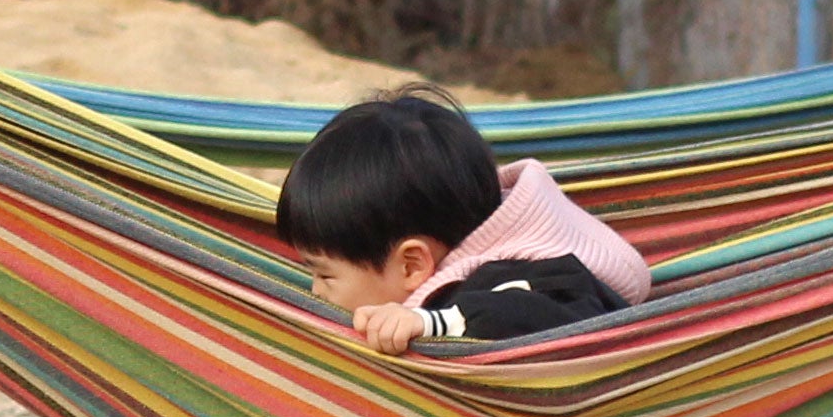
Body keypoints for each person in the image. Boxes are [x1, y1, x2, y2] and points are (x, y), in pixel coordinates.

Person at [276, 88, 652, 351]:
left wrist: (431, 323)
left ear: (411, 265)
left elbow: (557, 323)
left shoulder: (526, 281)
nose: (315, 291)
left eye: (325, 275)